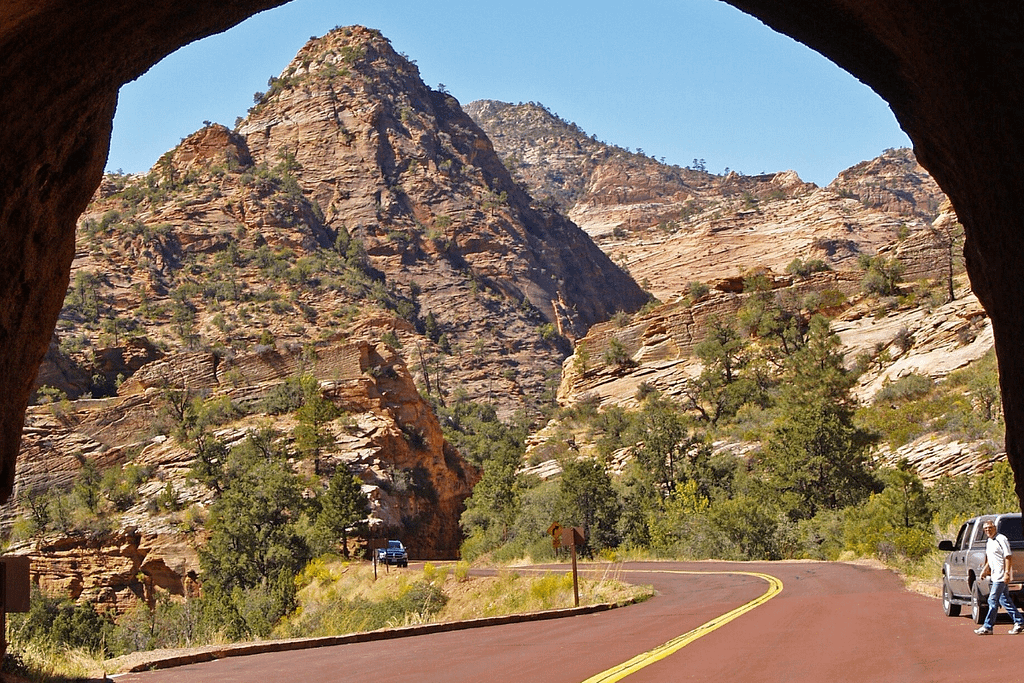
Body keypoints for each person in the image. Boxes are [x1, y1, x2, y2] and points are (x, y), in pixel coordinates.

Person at [975, 518, 1024, 635]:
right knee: (1004, 599)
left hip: (1001, 576)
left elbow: (1008, 556)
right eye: (986, 529)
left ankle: (987, 626)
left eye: (990, 528)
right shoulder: (989, 541)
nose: (988, 530)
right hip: (994, 575)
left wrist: (1007, 573)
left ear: (995, 528)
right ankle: (1019, 622)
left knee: (992, 599)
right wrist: (985, 570)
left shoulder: (1001, 539)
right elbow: (991, 558)